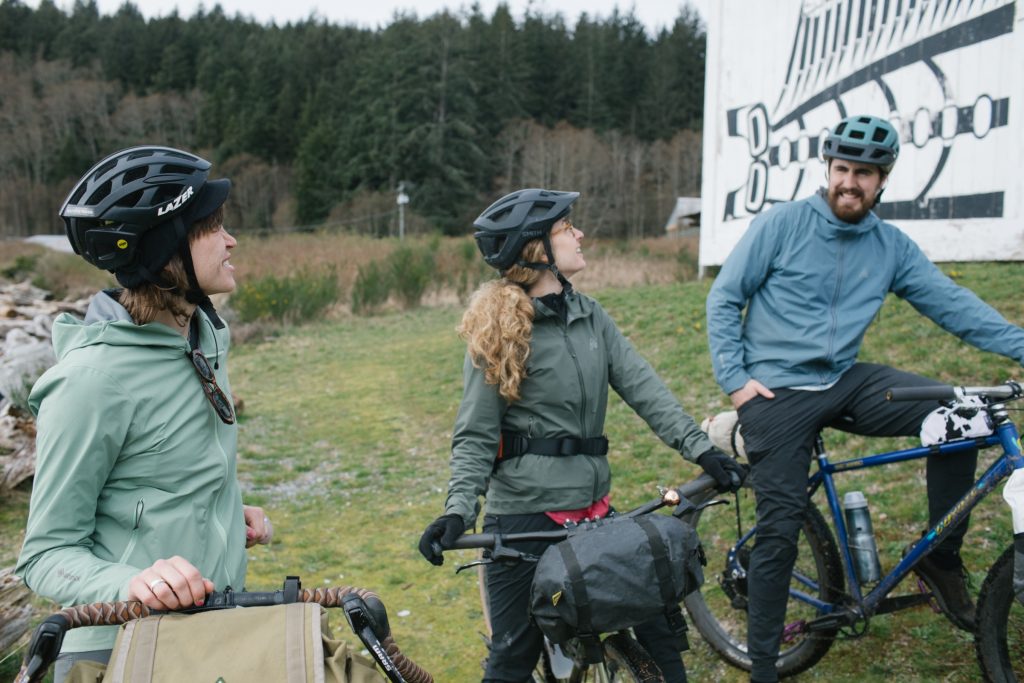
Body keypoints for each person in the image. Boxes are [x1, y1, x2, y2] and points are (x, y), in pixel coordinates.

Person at [705, 114, 1024, 682]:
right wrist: (737, 381)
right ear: (827, 170)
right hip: (775, 392)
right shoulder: (781, 224)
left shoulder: (890, 246)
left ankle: (941, 559)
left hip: (845, 379)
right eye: (842, 169)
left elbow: (951, 303)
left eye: (865, 174)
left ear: (883, 180)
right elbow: (724, 298)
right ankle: (762, 670)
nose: (850, 182)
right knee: (779, 529)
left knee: (963, 416)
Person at [418, 188, 746, 682]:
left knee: (659, 630)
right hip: (527, 520)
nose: (579, 234)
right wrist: (457, 510)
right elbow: (476, 436)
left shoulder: (590, 315)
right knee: (510, 659)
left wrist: (702, 450)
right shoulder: (500, 331)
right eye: (566, 228)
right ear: (537, 249)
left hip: (595, 511)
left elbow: (646, 390)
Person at [16, 146, 272, 682]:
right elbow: (45, 553)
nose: (231, 241)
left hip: (206, 639)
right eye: (213, 228)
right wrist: (130, 583)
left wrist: (222, 511)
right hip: (119, 654)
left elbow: (157, 479)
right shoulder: (91, 382)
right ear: (167, 251)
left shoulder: (202, 337)